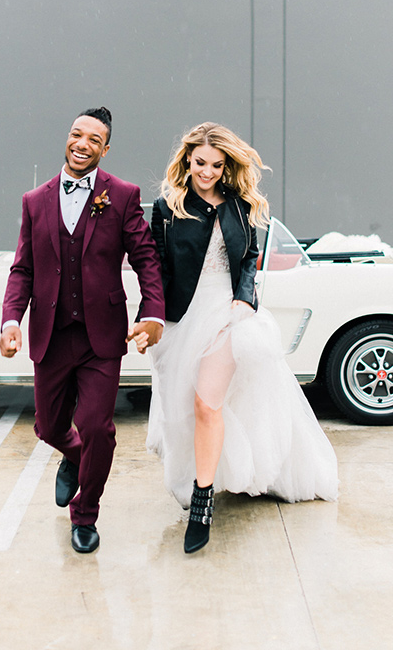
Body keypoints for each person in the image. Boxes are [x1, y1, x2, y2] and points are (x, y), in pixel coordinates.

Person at [131, 122, 338, 554]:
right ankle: (201, 475)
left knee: (208, 404)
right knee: (181, 411)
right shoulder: (168, 208)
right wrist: (149, 318)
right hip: (180, 320)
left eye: (216, 164)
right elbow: (155, 269)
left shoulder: (240, 205)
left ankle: (203, 502)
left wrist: (245, 300)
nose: (207, 171)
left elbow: (249, 261)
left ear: (227, 166)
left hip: (229, 315)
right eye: (200, 162)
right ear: (188, 158)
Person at [0, 107, 165, 553]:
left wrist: (153, 312)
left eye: (94, 139)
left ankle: (85, 513)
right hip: (51, 335)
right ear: (67, 138)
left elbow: (146, 257)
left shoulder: (123, 196)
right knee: (49, 428)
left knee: (96, 427)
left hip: (101, 337)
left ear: (105, 148)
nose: (82, 143)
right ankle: (75, 459)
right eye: (77, 134)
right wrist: (11, 320)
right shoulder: (35, 201)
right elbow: (23, 269)